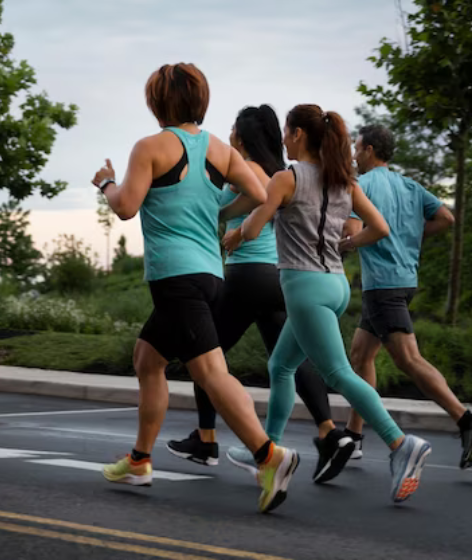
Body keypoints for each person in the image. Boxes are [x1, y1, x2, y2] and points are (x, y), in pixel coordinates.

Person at [92, 63, 299, 513]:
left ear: (156, 101)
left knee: (209, 372)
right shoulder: (220, 151)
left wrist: (106, 183)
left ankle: (270, 456)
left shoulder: (150, 147)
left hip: (176, 278)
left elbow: (126, 207)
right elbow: (263, 193)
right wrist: (221, 214)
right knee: (148, 359)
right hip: (209, 274)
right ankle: (141, 460)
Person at [227, 104, 432, 504]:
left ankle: (400, 444)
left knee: (338, 373)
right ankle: (267, 449)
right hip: (336, 285)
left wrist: (234, 236)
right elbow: (380, 228)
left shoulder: (287, 179)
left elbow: (254, 225)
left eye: (287, 132)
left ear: (299, 134)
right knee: (281, 365)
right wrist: (346, 245)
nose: (283, 138)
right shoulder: (344, 181)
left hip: (304, 287)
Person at [166, 105, 354, 484]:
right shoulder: (278, 172)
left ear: (243, 136)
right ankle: (329, 431)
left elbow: (222, 208)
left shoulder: (248, 171)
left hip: (247, 276)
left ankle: (206, 440)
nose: (230, 133)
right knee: (288, 360)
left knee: (204, 354)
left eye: (234, 128)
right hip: (276, 279)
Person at [343, 124, 472, 468]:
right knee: (360, 354)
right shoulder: (410, 185)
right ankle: (353, 435)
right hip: (404, 280)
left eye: (357, 148)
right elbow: (446, 217)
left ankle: (467, 419)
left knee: (408, 359)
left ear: (368, 150)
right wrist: (410, 235)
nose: (353, 155)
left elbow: (351, 231)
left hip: (383, 285)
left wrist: (344, 242)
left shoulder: (362, 186)